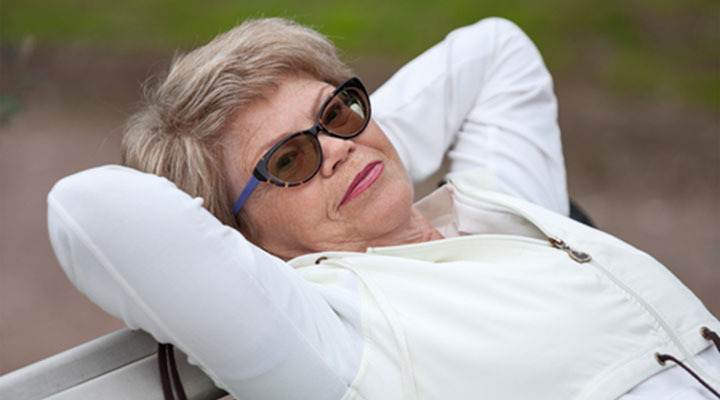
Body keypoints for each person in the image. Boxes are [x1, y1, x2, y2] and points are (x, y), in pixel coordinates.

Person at [47, 17, 719, 399]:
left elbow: (495, 52)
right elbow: (88, 210)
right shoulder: (329, 336)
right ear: (243, 241)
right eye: (287, 163)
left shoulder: (492, 212)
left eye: (340, 109)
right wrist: (270, 236)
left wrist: (346, 145)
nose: (334, 148)